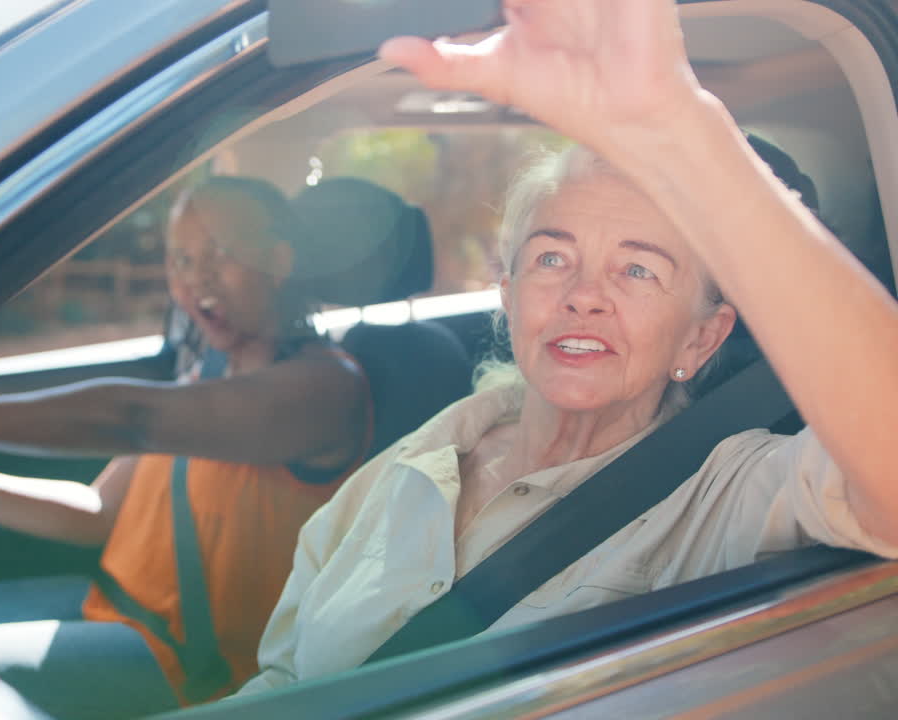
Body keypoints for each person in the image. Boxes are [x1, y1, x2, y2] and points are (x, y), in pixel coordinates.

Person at [237, 0, 898, 693]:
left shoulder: (730, 493)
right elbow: (282, 683)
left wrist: (678, 125)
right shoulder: (419, 458)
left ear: (701, 337)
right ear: (509, 295)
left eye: (638, 269)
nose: (585, 294)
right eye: (553, 259)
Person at [0, 176, 374, 718]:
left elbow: (132, 419)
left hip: (197, 669)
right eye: (180, 260)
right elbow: (98, 512)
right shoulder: (207, 374)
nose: (196, 279)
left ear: (280, 259)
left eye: (219, 255)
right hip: (112, 610)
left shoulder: (323, 388)